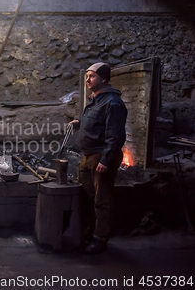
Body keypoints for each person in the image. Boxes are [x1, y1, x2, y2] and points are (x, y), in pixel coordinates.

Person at [68, 62, 127, 254]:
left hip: (100, 156)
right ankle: (88, 230)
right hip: (87, 156)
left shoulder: (113, 103)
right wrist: (79, 122)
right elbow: (96, 122)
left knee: (102, 199)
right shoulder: (95, 100)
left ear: (103, 78)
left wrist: (106, 160)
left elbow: (115, 135)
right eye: (87, 75)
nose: (87, 79)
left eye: (92, 76)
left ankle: (100, 238)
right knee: (86, 195)